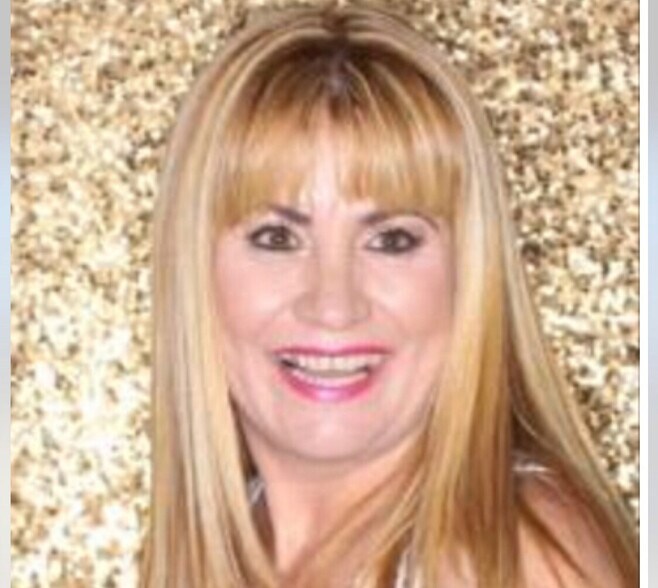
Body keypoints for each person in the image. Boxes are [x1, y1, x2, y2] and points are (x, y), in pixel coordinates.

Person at [139, 2, 638, 587]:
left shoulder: (515, 556)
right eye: (276, 238)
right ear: (195, 271)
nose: (333, 305)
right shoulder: (221, 549)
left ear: (467, 277)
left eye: (391, 240)